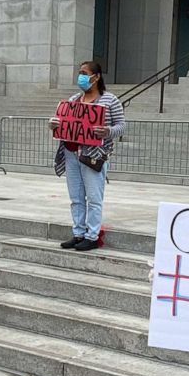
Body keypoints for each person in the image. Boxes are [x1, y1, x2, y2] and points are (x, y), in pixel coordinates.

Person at [49, 61, 125, 252]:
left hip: (93, 155)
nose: (81, 77)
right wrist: (54, 124)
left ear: (96, 77)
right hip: (71, 153)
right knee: (76, 197)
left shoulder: (110, 100)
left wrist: (107, 131)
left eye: (84, 73)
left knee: (93, 197)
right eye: (79, 73)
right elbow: (63, 120)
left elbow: (121, 126)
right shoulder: (74, 99)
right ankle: (78, 233)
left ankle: (92, 235)